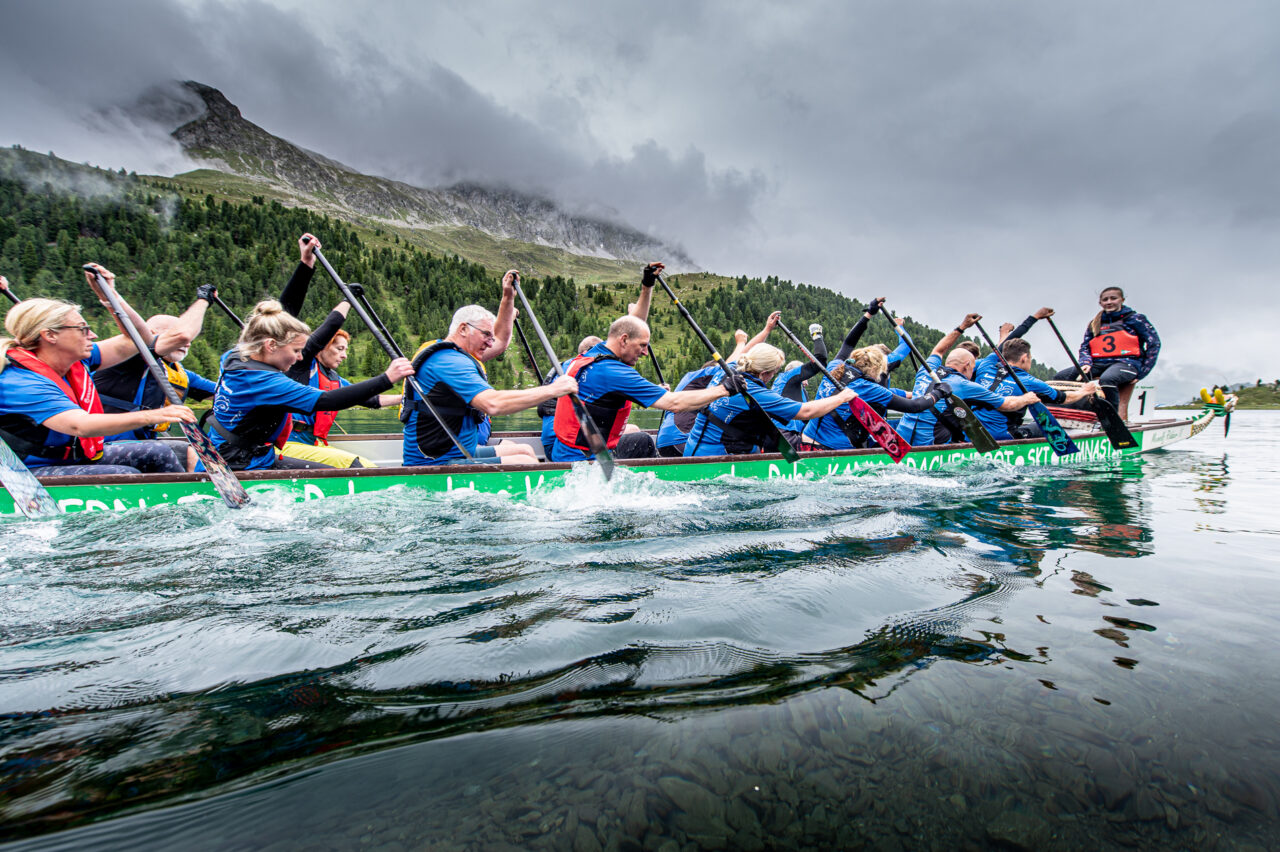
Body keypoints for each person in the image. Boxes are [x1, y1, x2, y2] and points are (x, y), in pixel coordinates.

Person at [0, 267, 193, 475]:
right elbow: (80, 426)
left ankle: (185, 505)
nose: (92, 334)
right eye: (82, 329)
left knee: (159, 452)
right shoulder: (21, 382)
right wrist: (155, 415)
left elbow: (138, 339)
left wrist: (109, 296)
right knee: (124, 476)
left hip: (68, 458)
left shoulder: (77, 360)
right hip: (24, 471)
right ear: (50, 335)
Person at [208, 300, 414, 471]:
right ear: (270, 345)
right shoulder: (267, 382)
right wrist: (387, 378)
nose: (299, 358)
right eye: (296, 350)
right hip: (241, 461)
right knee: (334, 475)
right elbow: (326, 400)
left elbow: (282, 310)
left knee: (331, 473)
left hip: (243, 452)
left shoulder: (234, 357)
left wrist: (306, 265)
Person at [403, 305, 578, 466]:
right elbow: (493, 404)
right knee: (524, 462)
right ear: (463, 329)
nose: (490, 343)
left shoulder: (454, 355)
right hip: (437, 463)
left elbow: (501, 342)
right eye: (486, 334)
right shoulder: (448, 362)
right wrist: (553, 390)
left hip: (462, 453)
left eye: (492, 337)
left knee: (526, 450)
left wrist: (508, 296)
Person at [551, 315, 730, 462]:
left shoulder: (592, 354)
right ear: (624, 340)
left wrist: (647, 287)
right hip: (584, 463)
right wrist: (723, 390)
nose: (645, 352)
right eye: (642, 346)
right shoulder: (614, 373)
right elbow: (673, 403)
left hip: (564, 453)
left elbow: (630, 324)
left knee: (641, 441)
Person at [92, 287, 220, 470]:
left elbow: (223, 393)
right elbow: (180, 335)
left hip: (142, 443)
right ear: (149, 333)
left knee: (195, 450)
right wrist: (203, 301)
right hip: (104, 444)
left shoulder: (180, 374)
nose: (188, 343)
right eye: (173, 334)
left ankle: (195, 493)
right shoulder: (127, 358)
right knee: (161, 450)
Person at [684, 343, 858, 456]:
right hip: (720, 457)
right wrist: (841, 397)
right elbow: (806, 411)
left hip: (693, 450)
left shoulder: (727, 370)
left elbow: (745, 351)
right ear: (764, 374)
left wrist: (767, 329)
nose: (774, 375)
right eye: (774, 371)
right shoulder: (756, 393)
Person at [894, 313, 1039, 446]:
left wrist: (962, 327)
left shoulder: (925, 370)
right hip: (930, 446)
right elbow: (1006, 405)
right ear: (967, 365)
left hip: (899, 442)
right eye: (973, 367)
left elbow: (938, 350)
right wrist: (1027, 398)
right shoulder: (964, 385)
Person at [654, 313, 782, 457]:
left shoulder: (691, 377)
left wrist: (767, 330)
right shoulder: (713, 375)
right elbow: (741, 357)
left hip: (664, 441)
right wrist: (758, 334)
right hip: (682, 442)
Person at [801, 346, 950, 451]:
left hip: (806, 442)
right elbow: (914, 407)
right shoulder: (869, 388)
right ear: (876, 369)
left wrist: (868, 315)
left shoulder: (834, 367)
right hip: (834, 450)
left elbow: (847, 344)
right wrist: (938, 393)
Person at [1055, 286, 1160, 419]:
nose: (1109, 302)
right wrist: (1085, 362)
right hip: (1098, 363)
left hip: (1126, 363)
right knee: (1061, 377)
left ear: (1122, 299)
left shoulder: (1136, 319)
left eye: (1113, 298)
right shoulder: (1095, 323)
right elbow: (1085, 347)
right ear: (1100, 303)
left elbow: (1154, 344)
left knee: (1107, 379)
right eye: (1105, 299)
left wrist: (1142, 372)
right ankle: (1066, 415)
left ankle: (1111, 418)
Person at [974, 337, 1101, 438]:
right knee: (1048, 423)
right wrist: (1085, 390)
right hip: (1001, 436)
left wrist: (1004, 334)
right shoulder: (1030, 381)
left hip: (972, 434)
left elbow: (997, 349)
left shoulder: (986, 366)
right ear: (1024, 358)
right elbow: (1064, 398)